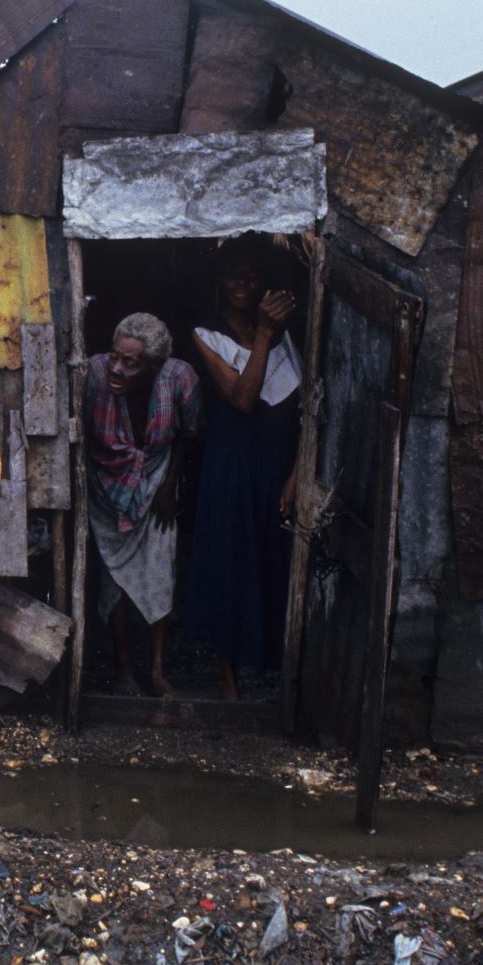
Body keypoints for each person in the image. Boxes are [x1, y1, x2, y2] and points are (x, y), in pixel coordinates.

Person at [186, 248, 301, 700]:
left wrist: (296, 474)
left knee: (272, 559)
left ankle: (272, 669)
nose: (242, 281)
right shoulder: (205, 335)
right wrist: (264, 333)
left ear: (265, 286)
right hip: (231, 467)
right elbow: (243, 399)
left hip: (275, 468)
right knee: (230, 562)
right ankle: (228, 680)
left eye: (251, 276)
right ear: (220, 281)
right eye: (233, 274)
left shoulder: (290, 339)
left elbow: (306, 412)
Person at [84, 312, 201, 698]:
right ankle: (122, 669)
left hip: (156, 487)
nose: (117, 368)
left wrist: (169, 485)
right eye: (115, 356)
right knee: (114, 582)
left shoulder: (179, 378)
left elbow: (188, 434)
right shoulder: (90, 375)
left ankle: (157, 671)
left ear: (154, 366)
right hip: (107, 492)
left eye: (130, 363)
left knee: (159, 573)